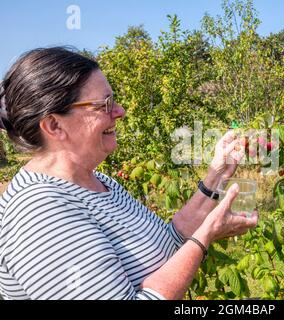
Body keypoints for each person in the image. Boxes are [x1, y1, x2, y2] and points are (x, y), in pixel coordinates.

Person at [0, 47, 258, 300]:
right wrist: (205, 236)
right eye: (105, 104)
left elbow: (169, 243)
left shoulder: (97, 182)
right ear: (54, 125)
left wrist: (217, 175)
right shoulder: (40, 212)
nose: (120, 111)